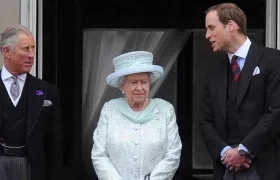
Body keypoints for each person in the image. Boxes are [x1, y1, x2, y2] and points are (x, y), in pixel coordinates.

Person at [200, 3, 280, 180]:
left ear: (230, 25)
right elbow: (205, 121)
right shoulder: (213, 71)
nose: (207, 35)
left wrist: (245, 149)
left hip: (263, 167)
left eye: (211, 28)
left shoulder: (273, 60)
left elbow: (276, 111)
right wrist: (226, 152)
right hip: (225, 168)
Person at [91, 51, 182, 180]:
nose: (139, 88)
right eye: (133, 82)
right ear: (122, 85)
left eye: (143, 82)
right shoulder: (110, 109)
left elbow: (173, 153)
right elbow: (99, 154)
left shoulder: (165, 110)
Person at [0, 24, 63, 180]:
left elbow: (55, 144)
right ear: (7, 51)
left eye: (33, 48)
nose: (31, 55)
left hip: (32, 169)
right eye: (26, 49)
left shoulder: (47, 90)